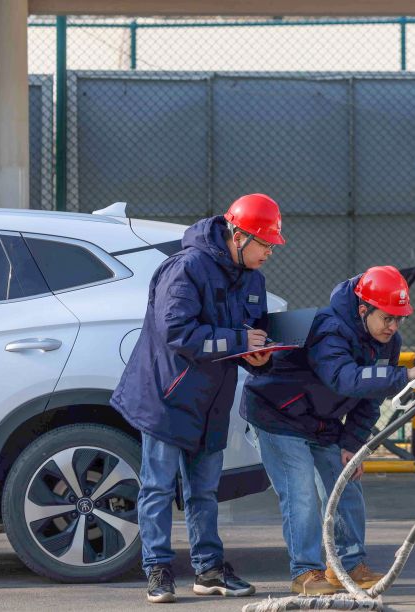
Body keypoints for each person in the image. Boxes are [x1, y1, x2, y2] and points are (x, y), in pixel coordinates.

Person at [111, 193, 285, 603]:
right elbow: (177, 332)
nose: (269, 253)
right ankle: (157, 570)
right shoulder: (186, 268)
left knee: (204, 491)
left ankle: (208, 570)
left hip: (211, 401)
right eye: (264, 243)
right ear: (239, 237)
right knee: (157, 487)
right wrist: (239, 341)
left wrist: (261, 358)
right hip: (166, 395)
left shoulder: (253, 279)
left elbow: (252, 335)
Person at [241, 266, 415, 595]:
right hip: (277, 416)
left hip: (322, 421)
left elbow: (370, 396)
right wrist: (405, 376)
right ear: (363, 310)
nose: (393, 326)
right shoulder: (329, 329)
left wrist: (352, 443)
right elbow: (344, 378)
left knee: (346, 485)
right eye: (387, 318)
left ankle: (348, 566)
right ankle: (305, 573)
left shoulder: (388, 343)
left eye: (399, 319)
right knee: (301, 492)